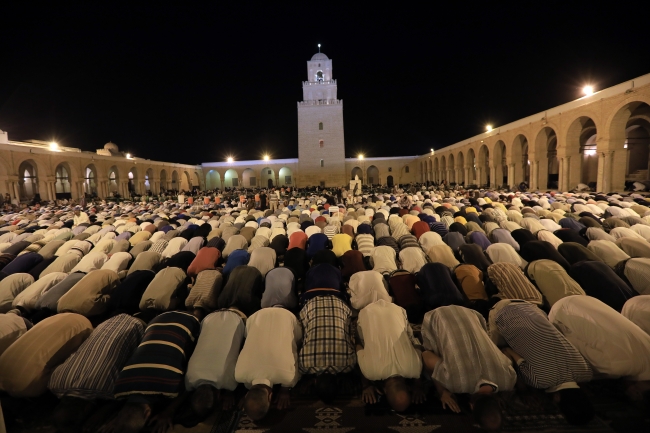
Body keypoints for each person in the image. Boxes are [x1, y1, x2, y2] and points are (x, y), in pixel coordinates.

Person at [490, 300, 595, 425]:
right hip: (503, 312)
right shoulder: (539, 381)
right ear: (558, 398)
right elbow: (508, 351)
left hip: (532, 308)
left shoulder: (586, 372)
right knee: (493, 351)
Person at [99, 311, 201, 433]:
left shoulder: (168, 386)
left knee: (191, 355)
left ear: (148, 414)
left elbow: (188, 388)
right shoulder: (119, 386)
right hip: (156, 319)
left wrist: (168, 412)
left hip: (189, 320)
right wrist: (119, 421)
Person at [421, 305, 516, 431]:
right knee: (432, 357)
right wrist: (442, 392)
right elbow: (425, 355)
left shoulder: (509, 379)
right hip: (437, 315)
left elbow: (505, 353)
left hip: (473, 314)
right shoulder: (454, 382)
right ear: (471, 406)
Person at [48, 314, 146, 431]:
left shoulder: (104, 389)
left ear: (86, 410)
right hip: (106, 323)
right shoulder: (54, 382)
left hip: (136, 325)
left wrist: (100, 414)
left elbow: (121, 398)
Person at [549, 295, 650, 402]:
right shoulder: (617, 367)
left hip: (586, 301)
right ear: (636, 394)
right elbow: (570, 347)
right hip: (564, 311)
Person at [235, 307, 302, 421]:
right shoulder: (239, 375)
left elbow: (296, 366)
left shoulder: (288, 378)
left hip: (287, 316)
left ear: (271, 397)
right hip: (256, 315)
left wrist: (285, 389)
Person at [356, 299, 424, 412]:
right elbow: (358, 348)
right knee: (361, 342)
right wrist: (366, 386)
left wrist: (418, 386)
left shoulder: (416, 369)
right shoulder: (370, 373)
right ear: (384, 391)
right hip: (366, 312)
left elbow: (417, 346)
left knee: (411, 339)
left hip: (395, 309)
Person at [184, 308, 246, 419]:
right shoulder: (189, 379)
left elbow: (229, 384)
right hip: (209, 317)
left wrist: (229, 392)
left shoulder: (230, 383)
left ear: (219, 395)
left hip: (237, 317)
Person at [298, 292, 356, 403]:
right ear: (314, 381)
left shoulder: (349, 364)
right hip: (311, 304)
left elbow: (351, 337)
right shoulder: (304, 364)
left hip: (341, 304)